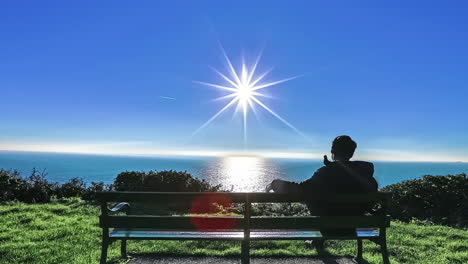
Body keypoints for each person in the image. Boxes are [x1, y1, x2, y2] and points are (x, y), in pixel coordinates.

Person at [265, 135, 378, 249]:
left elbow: (300, 189)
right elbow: (371, 198)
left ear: (333, 152)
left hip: (328, 227)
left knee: (313, 194)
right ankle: (318, 242)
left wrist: (275, 184)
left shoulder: (324, 173)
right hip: (353, 227)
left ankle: (318, 241)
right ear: (351, 154)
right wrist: (334, 166)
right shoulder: (365, 176)